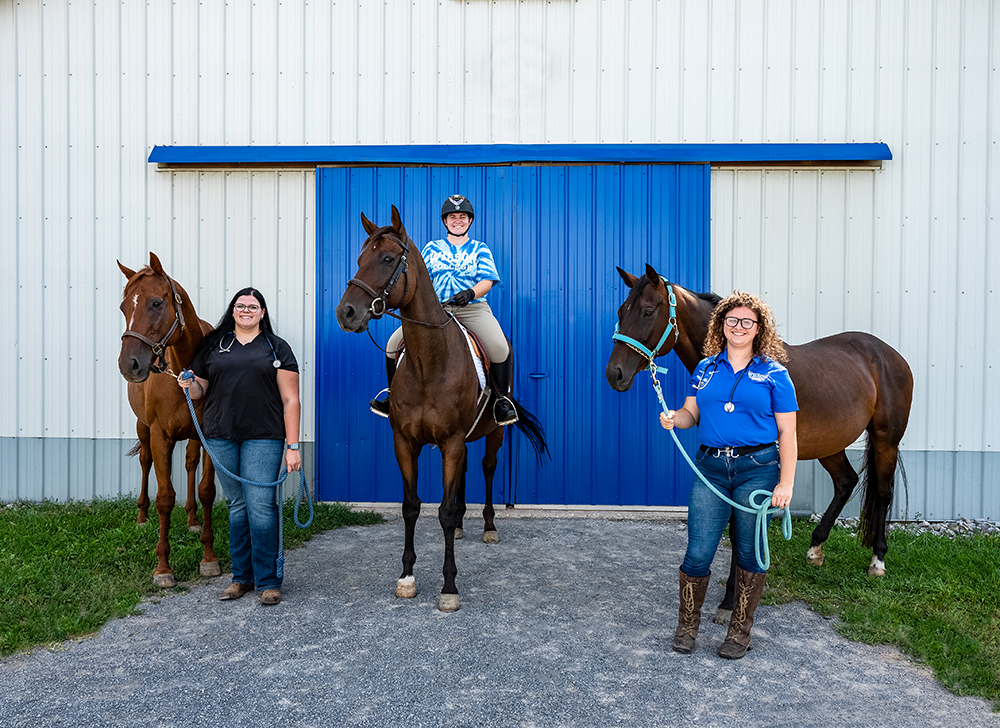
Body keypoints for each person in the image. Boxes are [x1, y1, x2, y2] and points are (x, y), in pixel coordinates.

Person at [659, 290, 797, 659]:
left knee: (750, 552)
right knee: (698, 552)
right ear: (721, 324)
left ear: (758, 329)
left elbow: (787, 433)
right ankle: (687, 627)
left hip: (757, 470)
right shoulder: (705, 369)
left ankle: (739, 633)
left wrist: (786, 482)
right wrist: (675, 418)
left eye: (746, 322)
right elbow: (692, 415)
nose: (738, 327)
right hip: (711, 470)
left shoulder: (775, 374)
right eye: (732, 320)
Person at [178, 287, 301, 606]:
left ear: (263, 313)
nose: (246, 310)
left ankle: (268, 581)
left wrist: (293, 445)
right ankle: (241, 578)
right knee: (237, 506)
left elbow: (291, 400)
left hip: (265, 436)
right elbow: (198, 393)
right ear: (232, 310)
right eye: (240, 305)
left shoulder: (277, 348)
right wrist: (188, 382)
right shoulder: (213, 346)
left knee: (261, 506)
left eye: (253, 306)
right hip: (221, 435)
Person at [370, 194, 518, 425]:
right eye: (452, 217)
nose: (457, 220)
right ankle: (392, 396)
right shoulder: (431, 249)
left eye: (462, 216)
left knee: (499, 346)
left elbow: (487, 281)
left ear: (470, 220)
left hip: (472, 310)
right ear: (445, 221)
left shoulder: (480, 249)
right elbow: (417, 279)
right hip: (436, 312)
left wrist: (470, 293)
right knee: (391, 345)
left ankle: (501, 401)